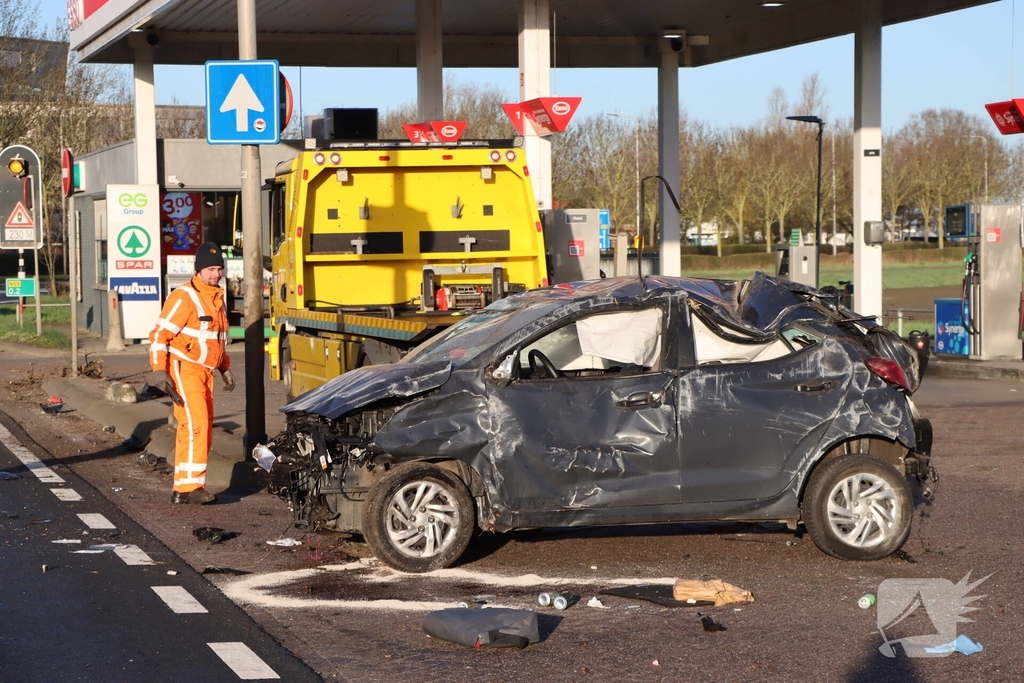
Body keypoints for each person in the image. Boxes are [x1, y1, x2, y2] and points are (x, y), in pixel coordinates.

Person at [147, 242, 235, 504]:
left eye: (219, 268)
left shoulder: (216, 298)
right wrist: (159, 370)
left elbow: (216, 339)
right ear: (198, 270)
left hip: (205, 371)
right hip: (185, 368)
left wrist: (224, 367)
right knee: (196, 424)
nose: (216, 274)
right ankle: (190, 488)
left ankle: (185, 487)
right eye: (211, 269)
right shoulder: (184, 297)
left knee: (199, 426)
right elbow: (159, 335)